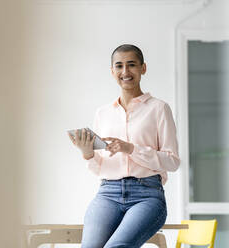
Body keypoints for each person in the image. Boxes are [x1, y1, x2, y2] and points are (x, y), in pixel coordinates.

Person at [68, 44, 180, 248]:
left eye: (132, 65)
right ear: (112, 71)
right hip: (107, 193)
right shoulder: (103, 113)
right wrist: (87, 154)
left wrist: (130, 148)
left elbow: (172, 162)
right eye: (119, 66)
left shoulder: (159, 109)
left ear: (143, 68)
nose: (125, 72)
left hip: (147, 195)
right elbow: (99, 166)